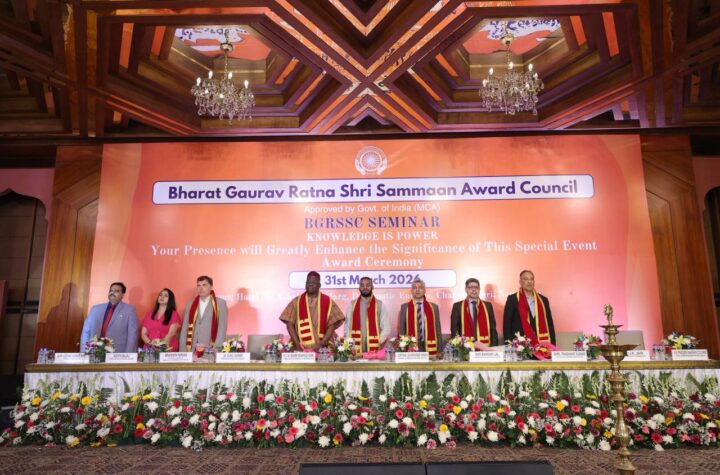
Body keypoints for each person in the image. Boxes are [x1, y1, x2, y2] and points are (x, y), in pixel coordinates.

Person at [280, 271, 345, 350]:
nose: (310, 284)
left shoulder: (328, 301)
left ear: (319, 285)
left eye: (313, 282)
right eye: (308, 282)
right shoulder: (296, 301)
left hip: (323, 346)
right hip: (300, 346)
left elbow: (332, 324)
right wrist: (297, 343)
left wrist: (322, 342)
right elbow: (289, 323)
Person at [80, 282, 138, 353]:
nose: (112, 293)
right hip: (94, 352)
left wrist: (128, 355)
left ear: (123, 295)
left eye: (116, 291)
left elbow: (132, 335)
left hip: (117, 353)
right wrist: (83, 350)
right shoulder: (95, 309)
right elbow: (86, 331)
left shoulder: (129, 310)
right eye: (111, 290)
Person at [503, 270, 556, 344]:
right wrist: (508, 345)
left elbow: (550, 324)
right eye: (526, 279)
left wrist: (553, 345)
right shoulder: (512, 299)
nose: (529, 282)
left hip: (541, 344)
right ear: (520, 282)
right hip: (520, 345)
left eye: (531, 279)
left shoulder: (543, 300)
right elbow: (507, 325)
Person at [179, 275, 228, 351]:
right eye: (198, 285)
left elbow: (222, 328)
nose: (201, 288)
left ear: (211, 287)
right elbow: (185, 327)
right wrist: (183, 350)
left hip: (210, 348)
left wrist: (216, 349)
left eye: (204, 285)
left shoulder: (220, 303)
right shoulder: (190, 304)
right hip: (191, 348)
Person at [345, 277, 390, 353]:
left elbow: (386, 327)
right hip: (356, 346)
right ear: (359, 288)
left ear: (372, 287)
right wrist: (350, 344)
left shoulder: (380, 304)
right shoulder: (352, 305)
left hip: (374, 346)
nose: (365, 287)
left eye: (368, 285)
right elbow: (347, 327)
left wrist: (378, 341)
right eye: (362, 285)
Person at [398, 278, 442, 356]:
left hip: (429, 344)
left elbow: (438, 329)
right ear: (411, 291)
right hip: (411, 344)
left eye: (420, 287)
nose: (417, 290)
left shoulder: (433, 307)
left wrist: (440, 349)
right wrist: (402, 349)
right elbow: (402, 330)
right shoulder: (405, 307)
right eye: (414, 288)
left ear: (424, 290)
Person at [450, 277, 498, 347]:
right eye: (470, 287)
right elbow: (454, 329)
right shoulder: (457, 306)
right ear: (466, 289)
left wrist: (494, 347)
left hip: (485, 348)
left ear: (479, 290)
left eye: (476, 287)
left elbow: (493, 329)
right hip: (465, 349)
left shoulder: (487, 306)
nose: (474, 289)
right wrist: (458, 348)